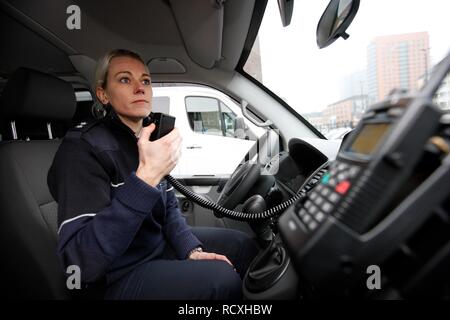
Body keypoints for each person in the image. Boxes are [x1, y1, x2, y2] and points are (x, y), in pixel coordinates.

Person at [48, 49, 259, 300]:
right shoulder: (82, 149)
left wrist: (189, 249)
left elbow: (168, 207)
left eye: (145, 81)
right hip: (116, 275)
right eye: (125, 79)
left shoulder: (148, 137)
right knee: (222, 280)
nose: (140, 88)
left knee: (243, 245)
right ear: (103, 94)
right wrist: (145, 178)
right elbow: (81, 263)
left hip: (153, 247)